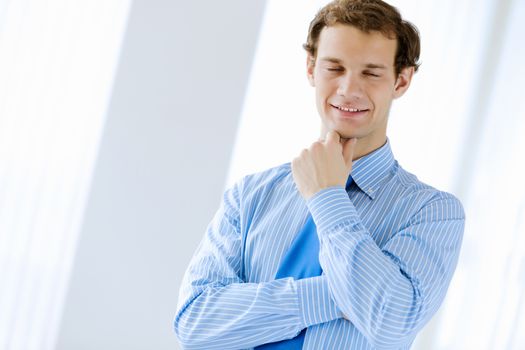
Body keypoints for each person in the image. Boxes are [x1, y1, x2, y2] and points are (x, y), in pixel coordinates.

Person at [174, 0, 465, 349]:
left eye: (371, 73)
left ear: (401, 81)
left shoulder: (432, 212)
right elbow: (195, 324)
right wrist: (338, 296)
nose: (349, 89)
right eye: (335, 68)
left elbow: (390, 321)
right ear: (311, 68)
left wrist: (327, 198)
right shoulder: (249, 195)